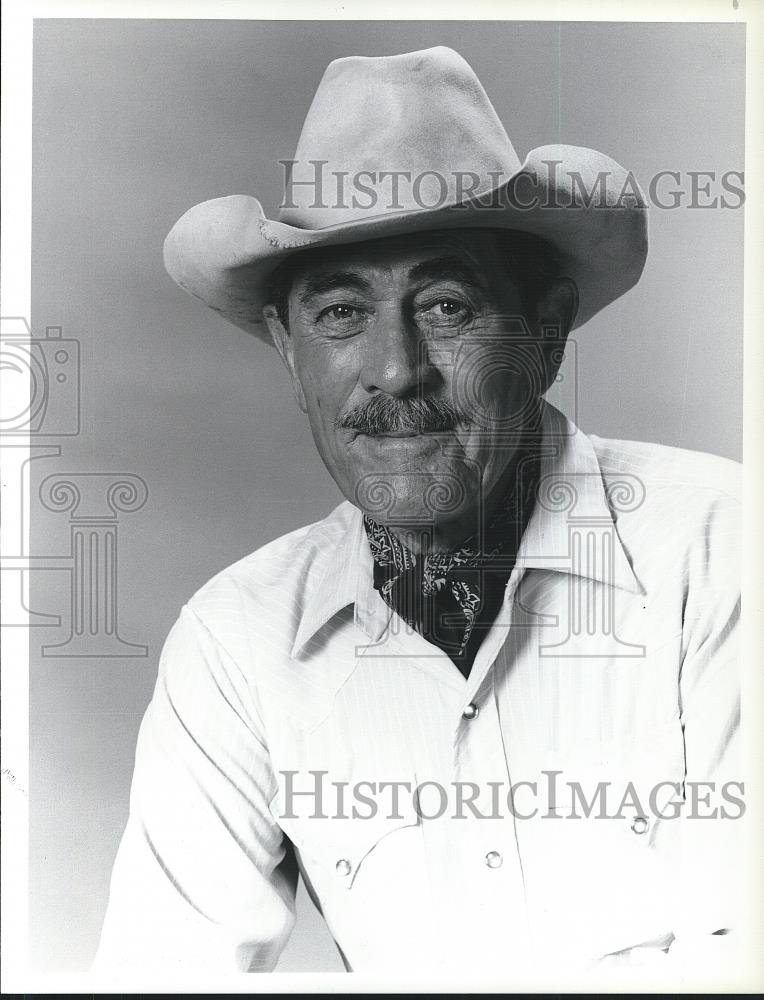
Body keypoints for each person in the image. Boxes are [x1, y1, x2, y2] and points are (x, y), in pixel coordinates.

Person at [94, 46, 741, 977]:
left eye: (445, 305)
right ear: (288, 348)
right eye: (340, 316)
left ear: (546, 331)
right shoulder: (234, 642)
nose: (396, 372)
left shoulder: (723, 549)